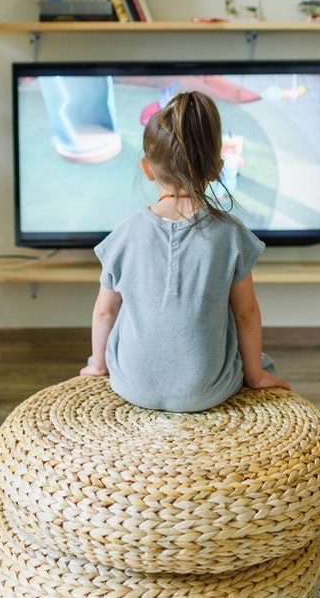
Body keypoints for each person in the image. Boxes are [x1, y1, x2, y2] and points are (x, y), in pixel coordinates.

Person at [80, 90, 290, 412]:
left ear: (148, 168)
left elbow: (105, 311)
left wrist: (97, 367)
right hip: (207, 391)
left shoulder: (124, 234)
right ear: (217, 168)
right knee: (257, 356)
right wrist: (256, 375)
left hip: (132, 384)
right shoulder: (231, 235)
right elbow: (246, 312)